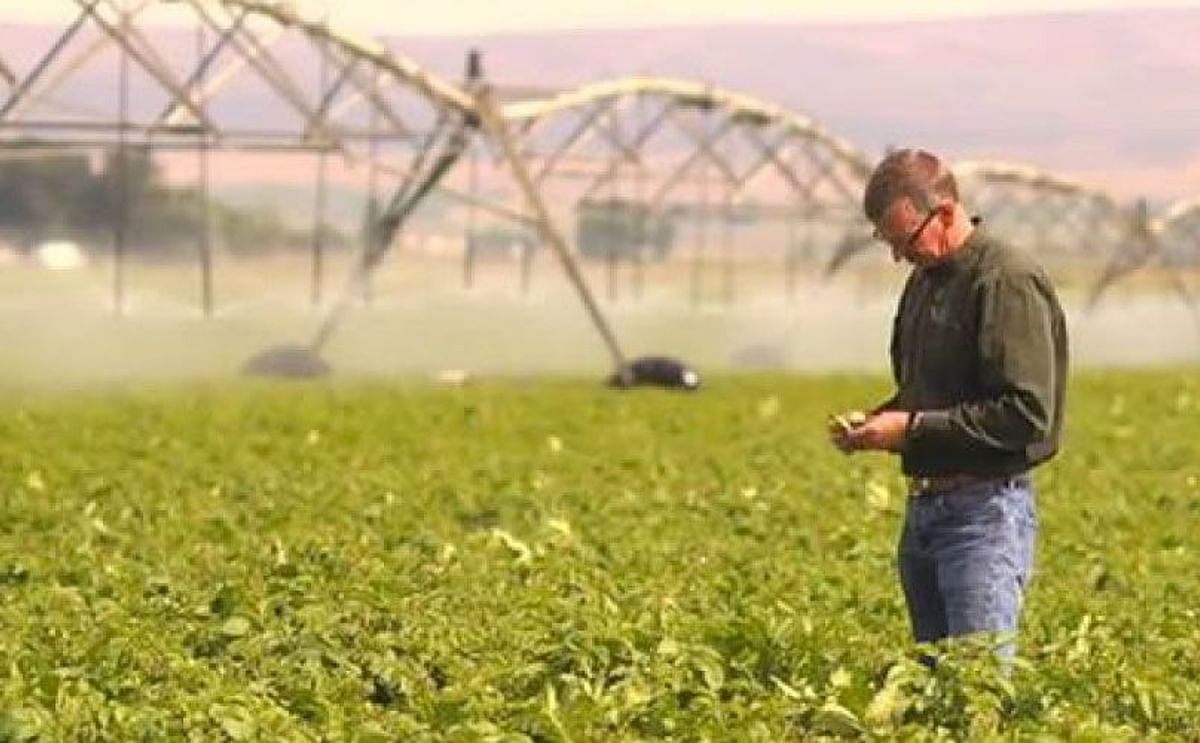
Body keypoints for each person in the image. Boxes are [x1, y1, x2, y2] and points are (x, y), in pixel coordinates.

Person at [829, 148, 1068, 661]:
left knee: (976, 686)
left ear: (943, 213)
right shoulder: (925, 282)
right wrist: (875, 424)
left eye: (905, 240)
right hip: (925, 513)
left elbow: (1026, 413)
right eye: (888, 244)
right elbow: (929, 395)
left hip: (982, 516)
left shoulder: (1004, 280)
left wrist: (910, 428)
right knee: (935, 687)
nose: (899, 257)